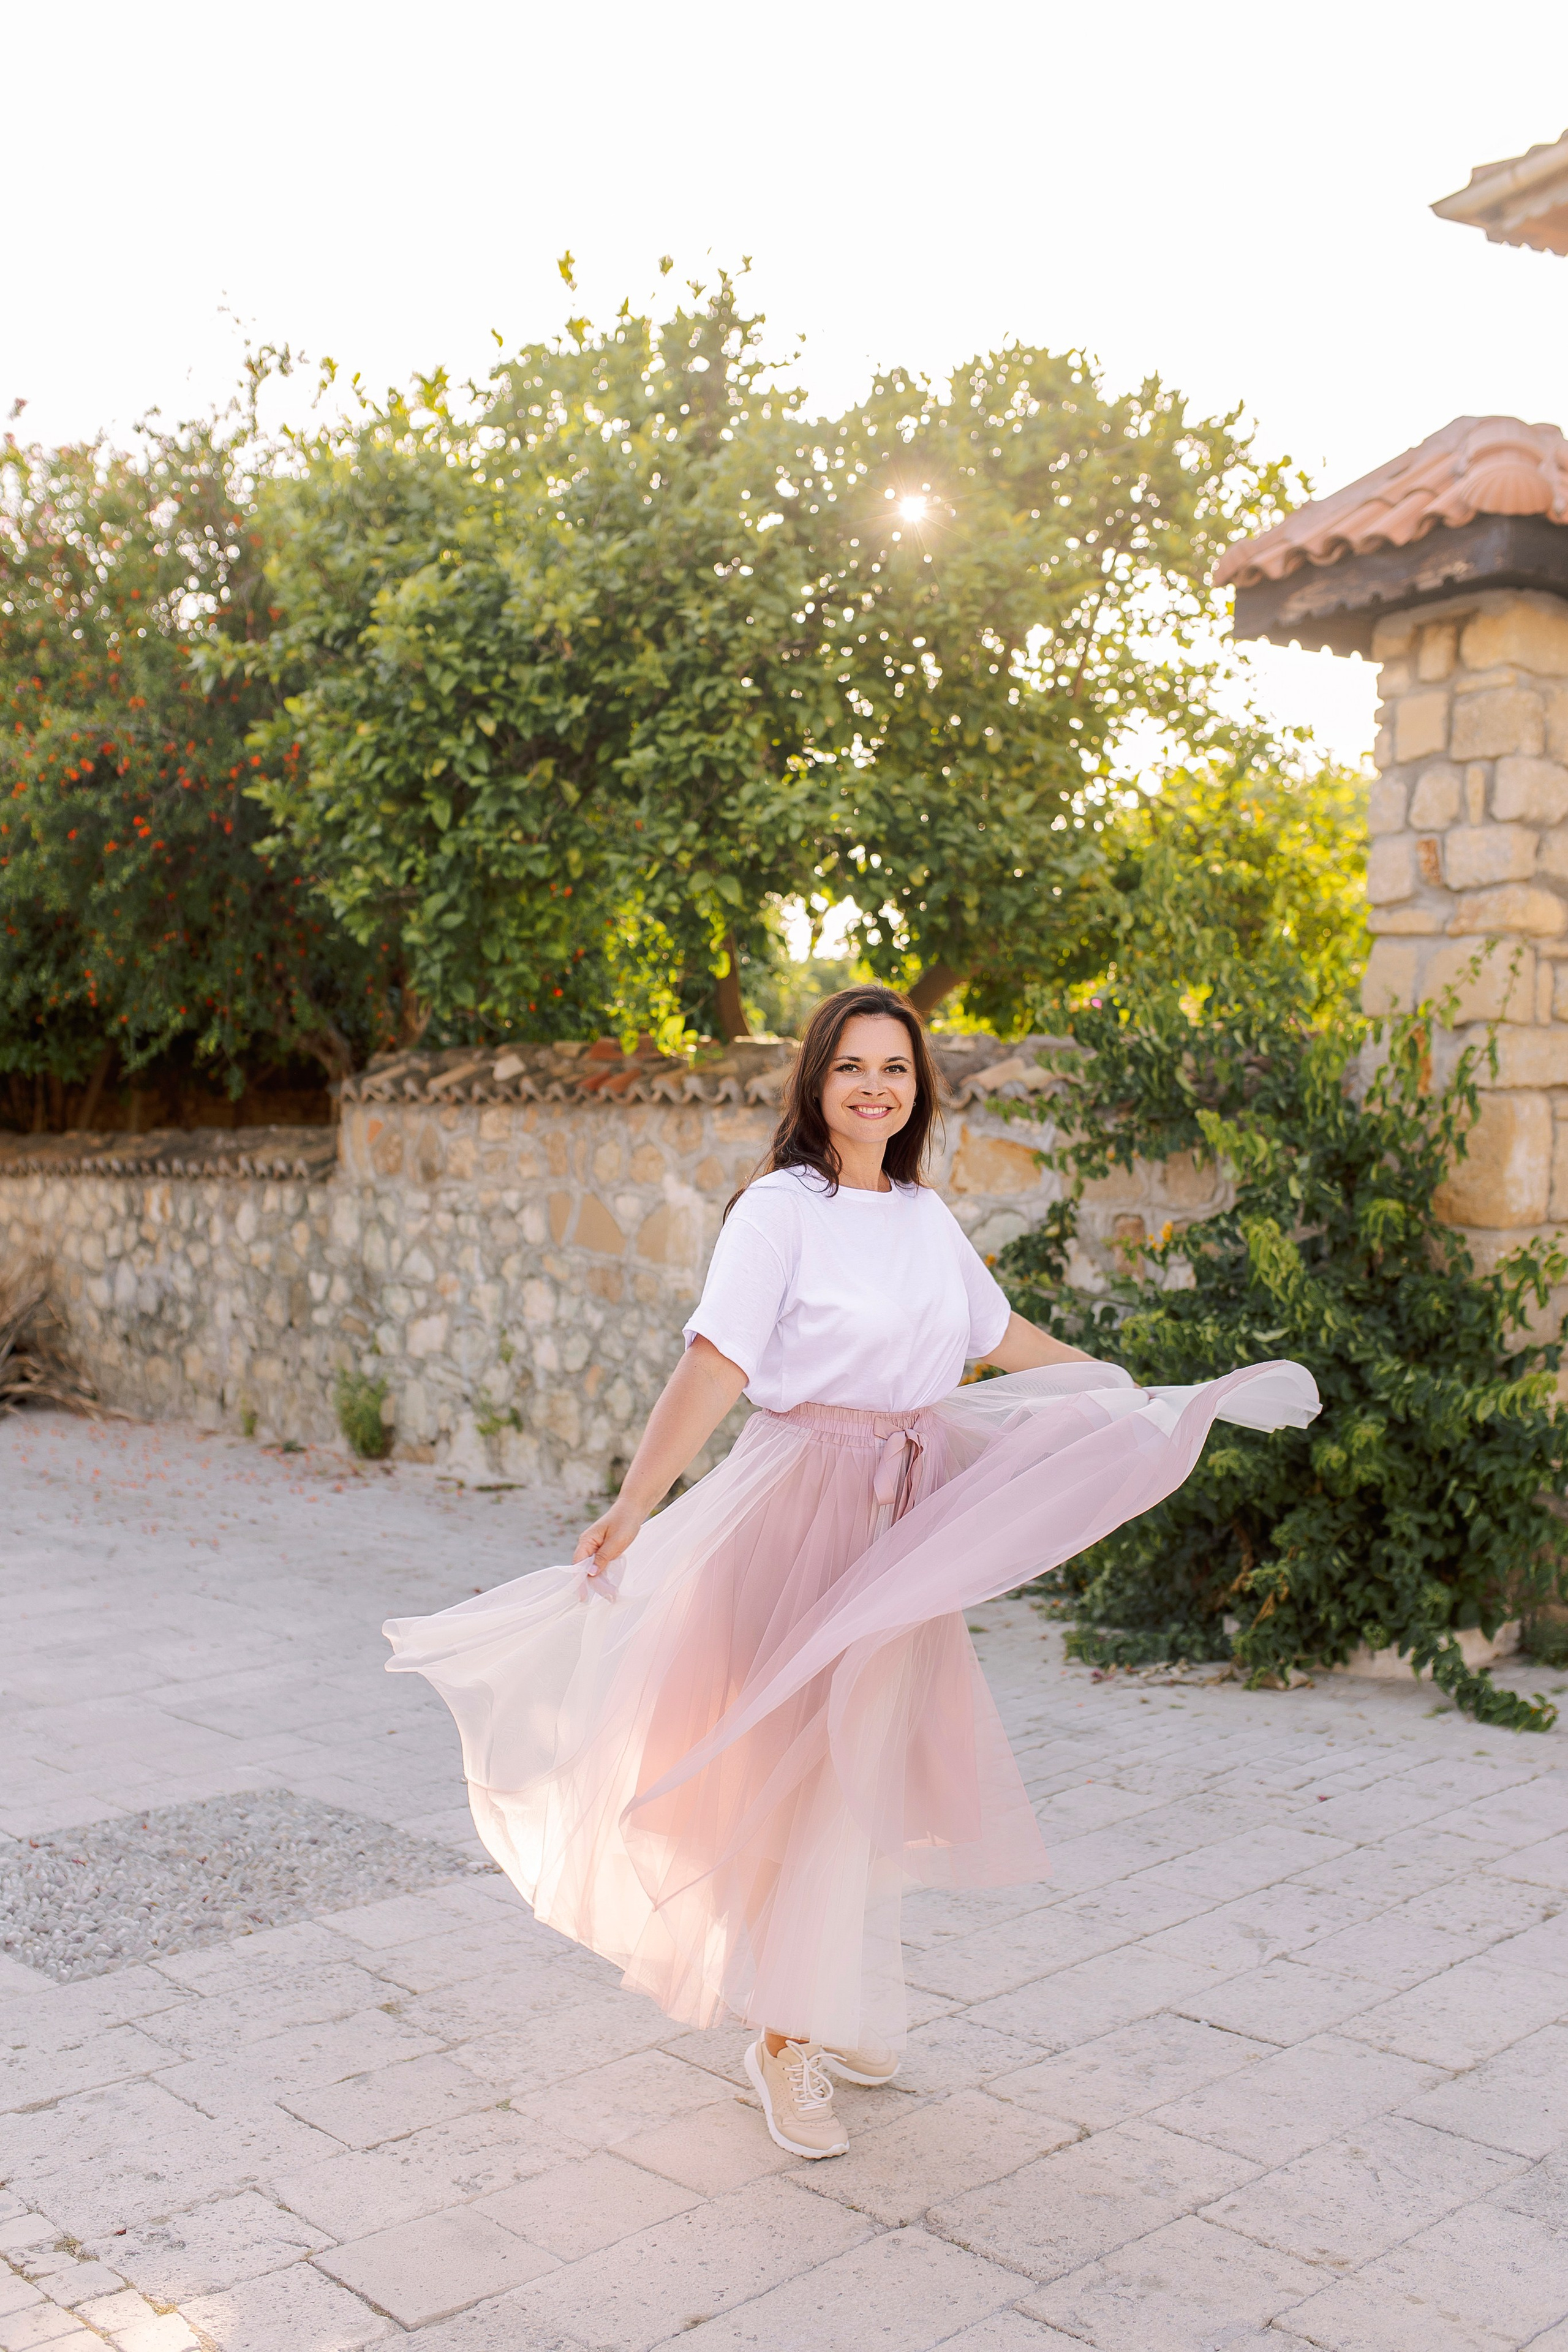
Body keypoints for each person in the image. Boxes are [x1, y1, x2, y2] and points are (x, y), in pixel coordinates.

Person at [385, 986, 1316, 2162]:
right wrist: (635, 1501)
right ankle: (784, 2042)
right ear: (815, 1081)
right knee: (800, 1769)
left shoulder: (924, 1216)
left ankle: (822, 2000)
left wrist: (1128, 1392)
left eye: (896, 1067)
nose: (876, 1085)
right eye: (851, 1067)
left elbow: (1000, 1341)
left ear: (917, 1087)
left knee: (864, 1768)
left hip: (897, 1522)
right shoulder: (779, 1212)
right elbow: (717, 1362)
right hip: (800, 1507)